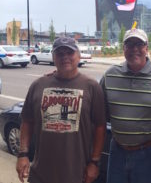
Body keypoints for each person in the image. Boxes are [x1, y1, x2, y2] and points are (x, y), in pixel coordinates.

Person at [16, 37, 106, 183]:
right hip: (41, 174)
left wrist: (94, 162)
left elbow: (100, 127)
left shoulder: (91, 87)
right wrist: (23, 154)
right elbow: (27, 121)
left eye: (69, 53)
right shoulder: (38, 85)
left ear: (78, 55)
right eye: (60, 53)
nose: (65, 57)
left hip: (77, 174)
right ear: (53, 57)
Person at [100, 28, 151, 183]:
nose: (134, 49)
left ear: (146, 48)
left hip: (149, 153)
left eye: (139, 44)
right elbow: (97, 107)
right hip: (117, 150)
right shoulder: (110, 75)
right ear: (124, 48)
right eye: (130, 44)